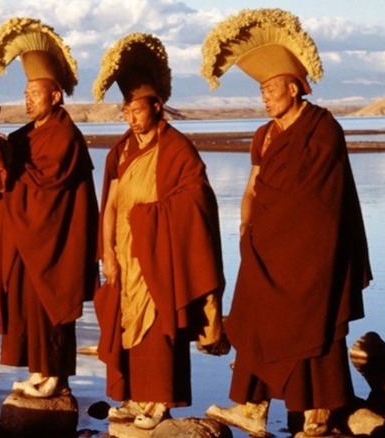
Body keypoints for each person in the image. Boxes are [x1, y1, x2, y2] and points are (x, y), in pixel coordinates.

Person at [200, 8, 372, 437]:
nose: (265, 97)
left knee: (314, 322)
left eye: (271, 89)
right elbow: (253, 188)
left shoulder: (322, 129)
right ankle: (252, 407)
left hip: (311, 252)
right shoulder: (264, 135)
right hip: (264, 248)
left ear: (294, 88)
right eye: (261, 90)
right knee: (253, 319)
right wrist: (245, 230)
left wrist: (303, 241)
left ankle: (318, 413)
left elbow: (324, 200)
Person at [91, 33, 227, 429]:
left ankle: (159, 401)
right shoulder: (121, 151)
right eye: (126, 110)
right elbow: (111, 204)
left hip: (159, 251)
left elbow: (199, 197)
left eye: (137, 109)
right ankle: (134, 396)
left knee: (158, 327)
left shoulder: (177, 148)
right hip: (125, 253)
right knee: (124, 325)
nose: (131, 118)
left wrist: (151, 218)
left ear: (157, 106)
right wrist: (108, 252)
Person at [0, 17, 99, 398]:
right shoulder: (26, 136)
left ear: (56, 96)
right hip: (28, 239)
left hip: (55, 243)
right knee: (26, 303)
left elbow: (46, 184)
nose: (28, 100)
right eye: (25, 93)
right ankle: (38, 369)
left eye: (35, 93)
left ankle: (55, 375)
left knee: (51, 303)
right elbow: (5, 166)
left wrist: (7, 165)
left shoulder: (65, 136)